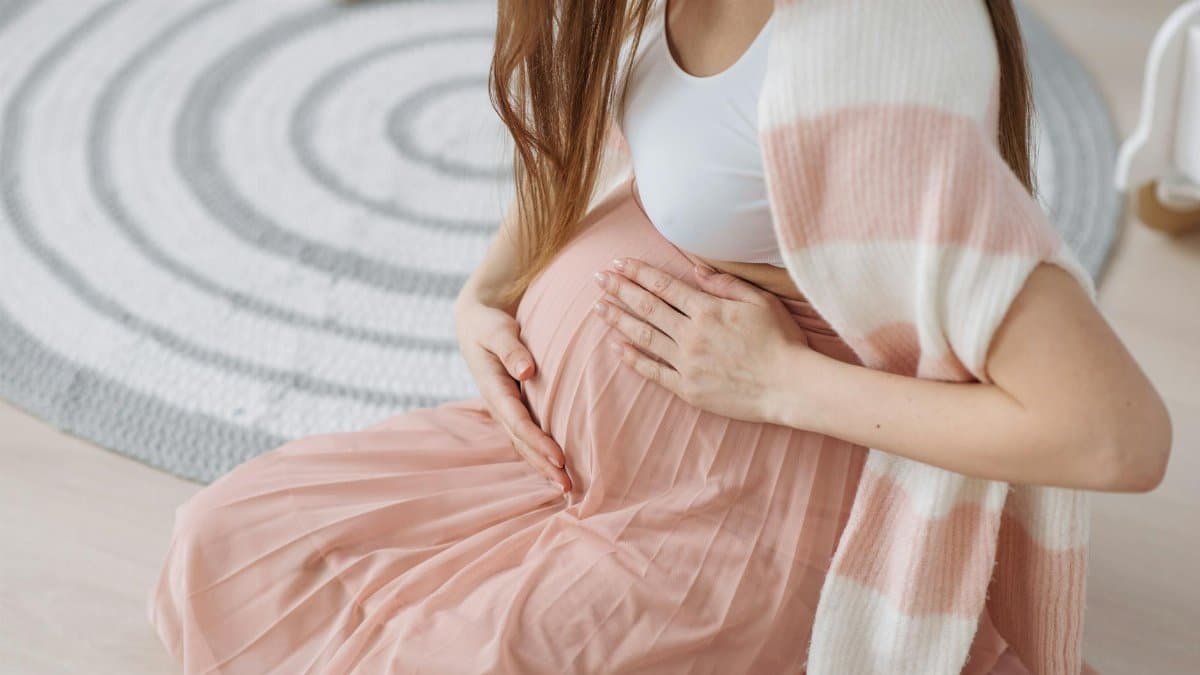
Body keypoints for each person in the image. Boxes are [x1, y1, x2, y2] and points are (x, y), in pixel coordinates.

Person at [147, 1, 1171, 672]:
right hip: (573, 460)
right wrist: (487, 293)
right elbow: (644, 144)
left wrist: (780, 384)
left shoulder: (873, 43)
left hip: (746, 508)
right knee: (227, 542)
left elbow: (1114, 436)